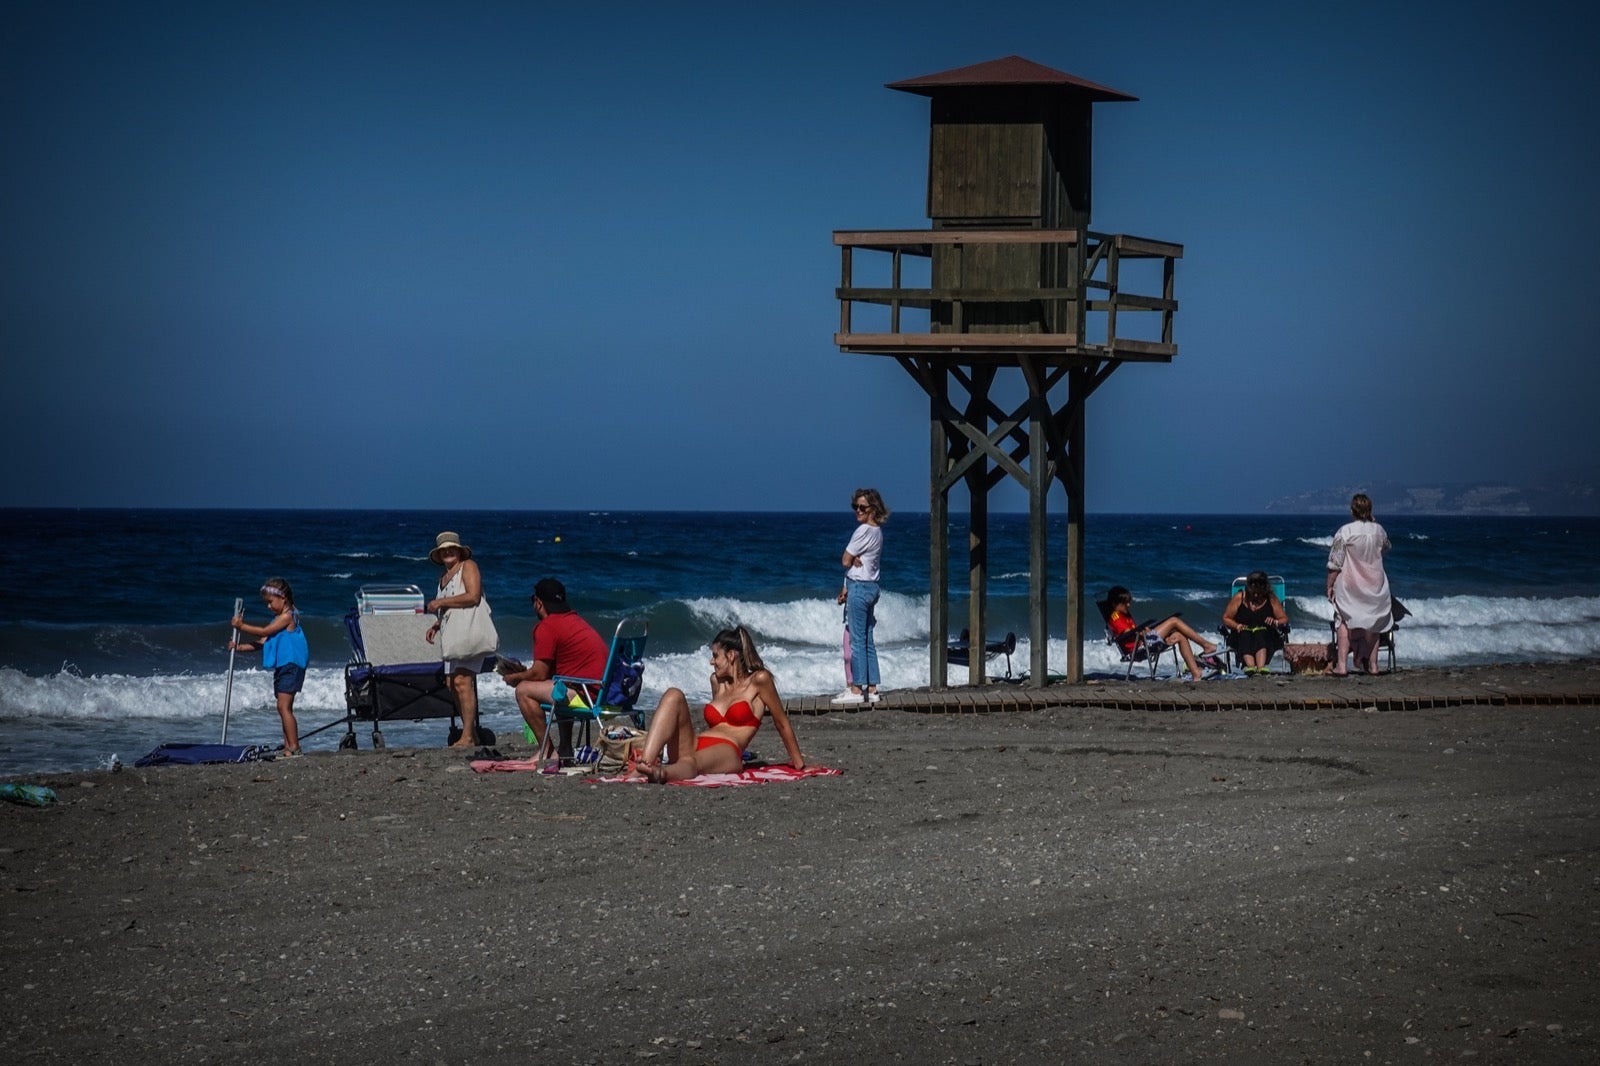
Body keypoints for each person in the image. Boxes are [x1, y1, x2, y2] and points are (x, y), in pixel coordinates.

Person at [634, 625, 804, 783]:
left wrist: (799, 765)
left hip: (728, 751)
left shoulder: (759, 680)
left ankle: (662, 774)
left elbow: (781, 723)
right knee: (673, 694)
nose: (711, 661)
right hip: (695, 744)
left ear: (731, 656)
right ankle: (645, 764)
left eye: (715, 656)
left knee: (693, 761)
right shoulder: (717, 682)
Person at [499, 578, 610, 758]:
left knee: (523, 691)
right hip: (604, 692)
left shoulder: (547, 626)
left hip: (588, 697)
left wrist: (516, 678)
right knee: (558, 684)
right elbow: (548, 674)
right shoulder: (574, 621)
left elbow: (539, 673)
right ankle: (565, 748)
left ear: (538, 603)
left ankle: (547, 751)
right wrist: (525, 673)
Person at [424, 531, 489, 749]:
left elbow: (473, 596)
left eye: (451, 549)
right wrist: (436, 624)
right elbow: (450, 605)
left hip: (468, 632)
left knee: (462, 681)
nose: (448, 552)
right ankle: (470, 733)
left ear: (459, 551)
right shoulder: (443, 578)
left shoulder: (468, 566)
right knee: (453, 683)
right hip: (454, 635)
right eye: (443, 550)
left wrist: (441, 603)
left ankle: (469, 736)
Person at [229, 578, 308, 756]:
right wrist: (239, 647)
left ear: (284, 599)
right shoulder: (277, 620)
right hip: (283, 667)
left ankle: (294, 747)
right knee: (283, 707)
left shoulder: (288, 617)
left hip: (291, 665)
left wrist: (241, 625)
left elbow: (264, 632)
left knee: (283, 706)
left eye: (271, 602)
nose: (268, 607)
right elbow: (262, 642)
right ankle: (288, 746)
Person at [833, 488, 888, 706]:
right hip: (872, 586)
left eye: (862, 507)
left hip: (860, 588)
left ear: (873, 509)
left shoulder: (863, 531)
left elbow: (845, 560)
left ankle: (856, 689)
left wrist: (853, 556)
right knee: (867, 639)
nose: (857, 510)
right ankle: (872, 687)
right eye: (855, 506)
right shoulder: (878, 532)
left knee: (857, 641)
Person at [1327, 492, 1393, 676]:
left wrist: (1329, 585)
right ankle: (1373, 666)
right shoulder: (1379, 531)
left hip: (1350, 586)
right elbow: (1387, 547)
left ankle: (1342, 665)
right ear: (1370, 511)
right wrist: (1374, 523)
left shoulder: (1345, 531)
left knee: (1344, 621)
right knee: (1374, 624)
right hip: (1375, 585)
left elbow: (1335, 562)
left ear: (1352, 511)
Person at [1105, 586, 1226, 681]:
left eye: (1129, 602)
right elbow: (1128, 633)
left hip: (1143, 641)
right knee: (1174, 621)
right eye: (1125, 603)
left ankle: (1196, 673)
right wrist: (1143, 632)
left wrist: (1145, 631)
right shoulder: (1115, 617)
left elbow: (1132, 631)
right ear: (1115, 604)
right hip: (1138, 647)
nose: (1129, 605)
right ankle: (1206, 646)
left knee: (1179, 636)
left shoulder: (1124, 615)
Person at [1222, 570, 1290, 675]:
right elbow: (1226, 618)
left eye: (1259, 593)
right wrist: (1236, 625)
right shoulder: (1240, 597)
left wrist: (1275, 622)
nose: (1256, 595)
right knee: (1245, 633)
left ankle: (1261, 667)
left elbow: (1284, 618)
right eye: (1253, 592)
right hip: (1241, 633)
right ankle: (1250, 667)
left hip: (1266, 634)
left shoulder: (1270, 598)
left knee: (1261, 632)